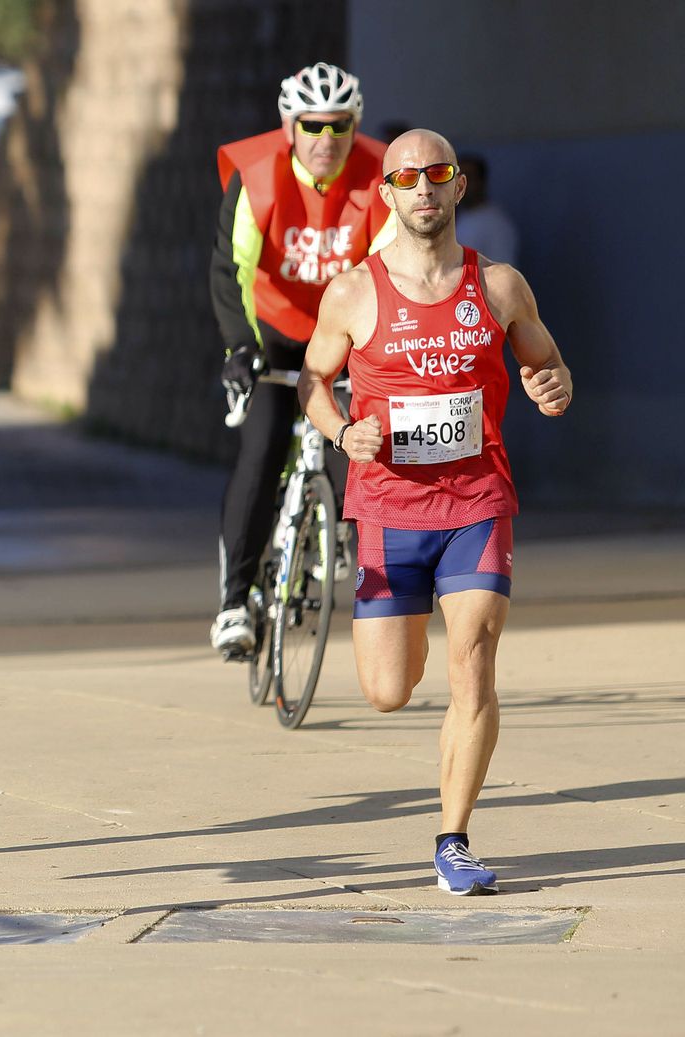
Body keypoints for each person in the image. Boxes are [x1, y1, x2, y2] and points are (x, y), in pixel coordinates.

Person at [299, 128, 572, 895]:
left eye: (438, 174)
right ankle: (406, 630)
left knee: (475, 664)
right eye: (407, 176)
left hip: (477, 503)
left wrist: (555, 387)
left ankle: (453, 837)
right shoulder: (352, 293)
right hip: (387, 508)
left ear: (458, 188)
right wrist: (339, 428)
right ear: (387, 193)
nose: (423, 187)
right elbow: (314, 381)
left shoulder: (500, 286)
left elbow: (546, 364)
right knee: (389, 688)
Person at [208, 62, 395, 661]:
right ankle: (236, 603)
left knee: (363, 448)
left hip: (344, 332)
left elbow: (393, 272)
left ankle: (343, 539)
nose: (326, 141)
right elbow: (231, 266)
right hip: (275, 331)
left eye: (340, 127)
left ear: (355, 127)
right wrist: (240, 347)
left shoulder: (382, 175)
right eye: (312, 126)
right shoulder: (257, 172)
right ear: (289, 126)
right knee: (261, 451)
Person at [454, 153, 519, 266]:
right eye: (457, 178)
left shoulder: (496, 224)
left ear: (481, 182)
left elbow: (502, 271)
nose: (461, 185)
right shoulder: (460, 217)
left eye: (468, 178)